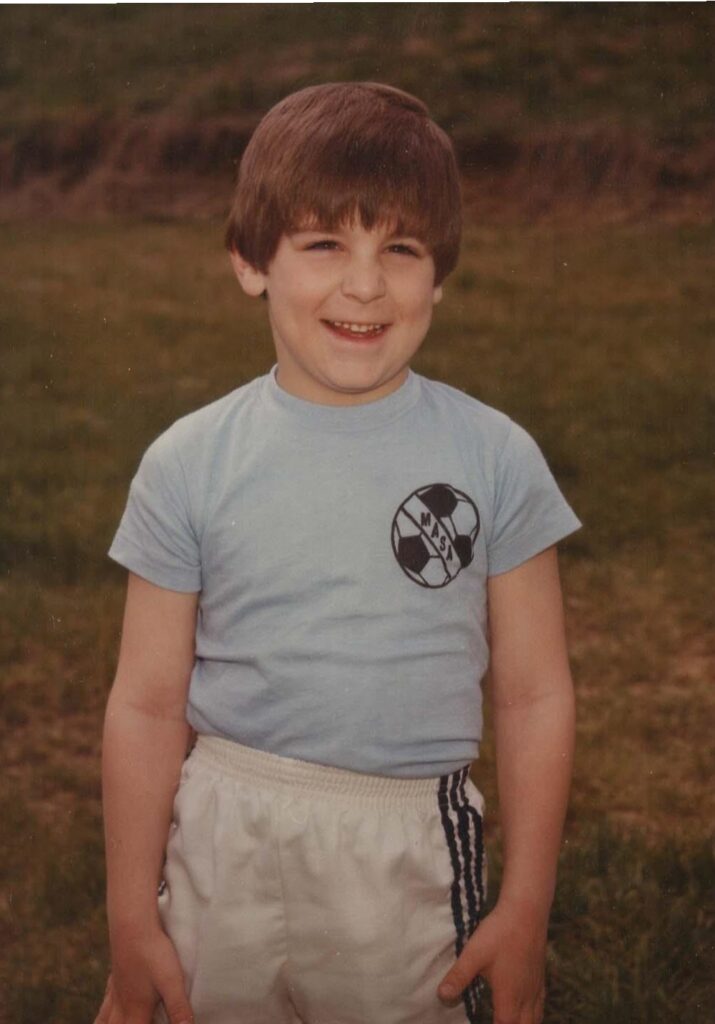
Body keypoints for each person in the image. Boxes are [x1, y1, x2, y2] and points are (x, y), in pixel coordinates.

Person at [95, 81, 580, 1024]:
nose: (365, 285)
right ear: (251, 261)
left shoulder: (494, 456)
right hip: (222, 835)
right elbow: (146, 705)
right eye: (323, 245)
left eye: (400, 249)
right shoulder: (189, 461)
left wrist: (524, 908)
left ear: (439, 275)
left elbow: (532, 696)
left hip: (402, 852)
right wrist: (129, 917)